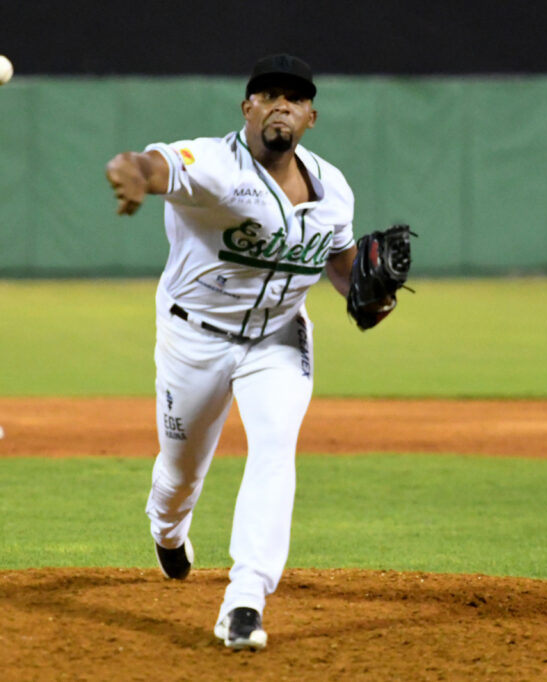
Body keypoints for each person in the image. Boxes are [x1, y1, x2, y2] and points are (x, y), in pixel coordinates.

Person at [104, 54, 393, 651]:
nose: (279, 104)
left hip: (279, 339)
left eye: (293, 97)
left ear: (310, 115)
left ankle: (245, 599)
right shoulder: (214, 165)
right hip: (195, 337)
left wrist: (368, 294)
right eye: (267, 95)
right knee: (181, 472)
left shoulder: (333, 187)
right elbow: (151, 165)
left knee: (274, 447)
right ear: (247, 109)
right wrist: (131, 172)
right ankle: (167, 530)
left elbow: (340, 267)